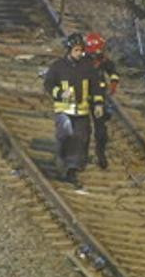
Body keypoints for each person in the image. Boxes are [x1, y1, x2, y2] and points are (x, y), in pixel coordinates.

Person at [42, 33, 104, 188]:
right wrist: (59, 93)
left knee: (80, 138)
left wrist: (98, 104)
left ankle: (72, 169)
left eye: (81, 50)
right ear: (69, 50)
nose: (80, 54)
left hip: (81, 111)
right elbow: (48, 84)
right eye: (76, 50)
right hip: (64, 110)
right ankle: (62, 161)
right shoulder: (58, 66)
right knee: (65, 136)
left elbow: (96, 86)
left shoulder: (87, 67)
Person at [84, 32, 117, 169]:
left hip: (98, 99)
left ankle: (100, 153)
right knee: (83, 129)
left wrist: (114, 82)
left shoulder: (104, 61)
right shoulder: (81, 61)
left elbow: (112, 70)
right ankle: (82, 155)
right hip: (83, 98)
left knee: (101, 130)